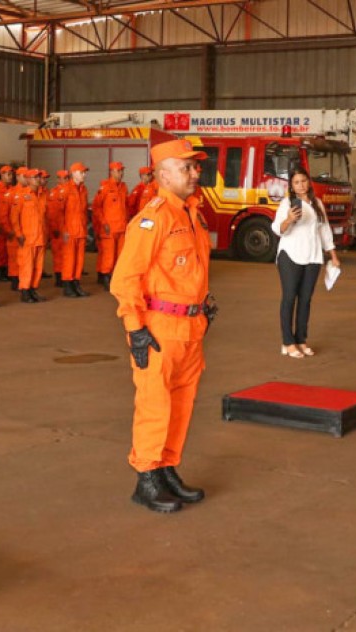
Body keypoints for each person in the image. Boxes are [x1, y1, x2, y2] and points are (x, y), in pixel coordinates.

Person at [110, 139, 212, 513]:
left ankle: (168, 468)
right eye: (186, 167)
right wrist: (135, 328)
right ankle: (147, 478)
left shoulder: (191, 213)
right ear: (163, 174)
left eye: (194, 167)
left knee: (181, 403)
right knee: (155, 404)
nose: (194, 173)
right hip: (159, 329)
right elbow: (125, 279)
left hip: (190, 326)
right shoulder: (153, 219)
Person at [270, 166, 341, 358]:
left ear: (308, 182)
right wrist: (289, 219)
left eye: (303, 181)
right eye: (296, 182)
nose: (301, 185)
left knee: (306, 300)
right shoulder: (287, 203)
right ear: (291, 186)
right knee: (289, 297)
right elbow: (278, 229)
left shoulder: (317, 203)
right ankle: (287, 342)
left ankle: (301, 340)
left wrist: (333, 255)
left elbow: (324, 230)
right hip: (290, 255)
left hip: (313, 257)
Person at [11, 168, 47, 303]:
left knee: (38, 267)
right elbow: (14, 217)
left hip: (40, 237)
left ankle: (33, 289)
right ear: (28, 179)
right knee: (27, 266)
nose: (38, 179)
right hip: (27, 238)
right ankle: (25, 291)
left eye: (39, 177)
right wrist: (19, 234)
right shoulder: (21, 195)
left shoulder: (42, 195)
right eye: (35, 177)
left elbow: (44, 218)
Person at [92, 161, 130, 290]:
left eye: (121, 170)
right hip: (109, 228)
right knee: (108, 255)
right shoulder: (105, 187)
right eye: (118, 171)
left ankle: (116, 277)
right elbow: (97, 207)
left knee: (120, 255)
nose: (121, 173)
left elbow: (126, 207)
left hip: (122, 227)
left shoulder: (124, 187)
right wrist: (103, 223)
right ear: (112, 172)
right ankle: (106, 278)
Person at [56, 162, 90, 298]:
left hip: (80, 230)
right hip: (69, 232)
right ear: (73, 173)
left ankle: (76, 283)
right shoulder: (65, 190)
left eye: (84, 172)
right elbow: (58, 213)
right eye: (81, 172)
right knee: (69, 259)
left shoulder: (83, 189)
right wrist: (63, 230)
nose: (84, 174)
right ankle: (68, 285)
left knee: (79, 259)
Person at [0, 165, 14, 282]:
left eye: (11, 175)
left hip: (9, 223)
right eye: (8, 174)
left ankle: (6, 270)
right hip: (0, 224)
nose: (10, 177)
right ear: (2, 175)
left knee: (8, 249)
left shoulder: (12, 189)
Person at [47, 169, 69, 287]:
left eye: (67, 178)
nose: (65, 180)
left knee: (67, 255)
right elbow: (52, 213)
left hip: (67, 229)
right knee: (58, 255)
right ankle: (59, 277)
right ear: (58, 179)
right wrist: (54, 228)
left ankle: (66, 276)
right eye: (63, 178)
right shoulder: (54, 193)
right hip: (57, 230)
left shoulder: (70, 191)